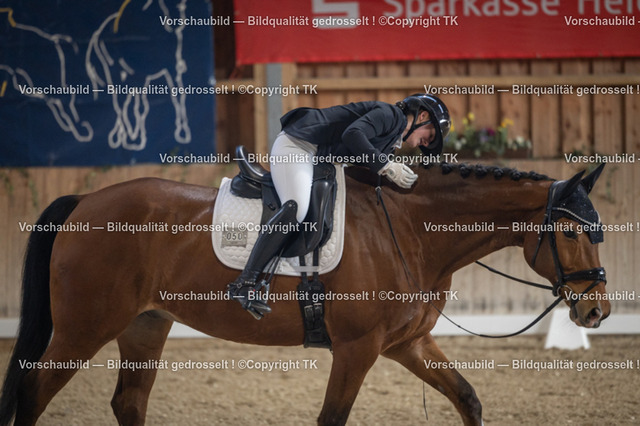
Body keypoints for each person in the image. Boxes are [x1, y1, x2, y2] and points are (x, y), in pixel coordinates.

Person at [228, 93, 451, 319]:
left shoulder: (391, 141)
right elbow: (353, 134)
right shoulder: (390, 115)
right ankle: (245, 282)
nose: (426, 143)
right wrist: (386, 166)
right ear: (422, 116)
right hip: (297, 145)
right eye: (430, 135)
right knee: (297, 208)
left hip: (316, 158)